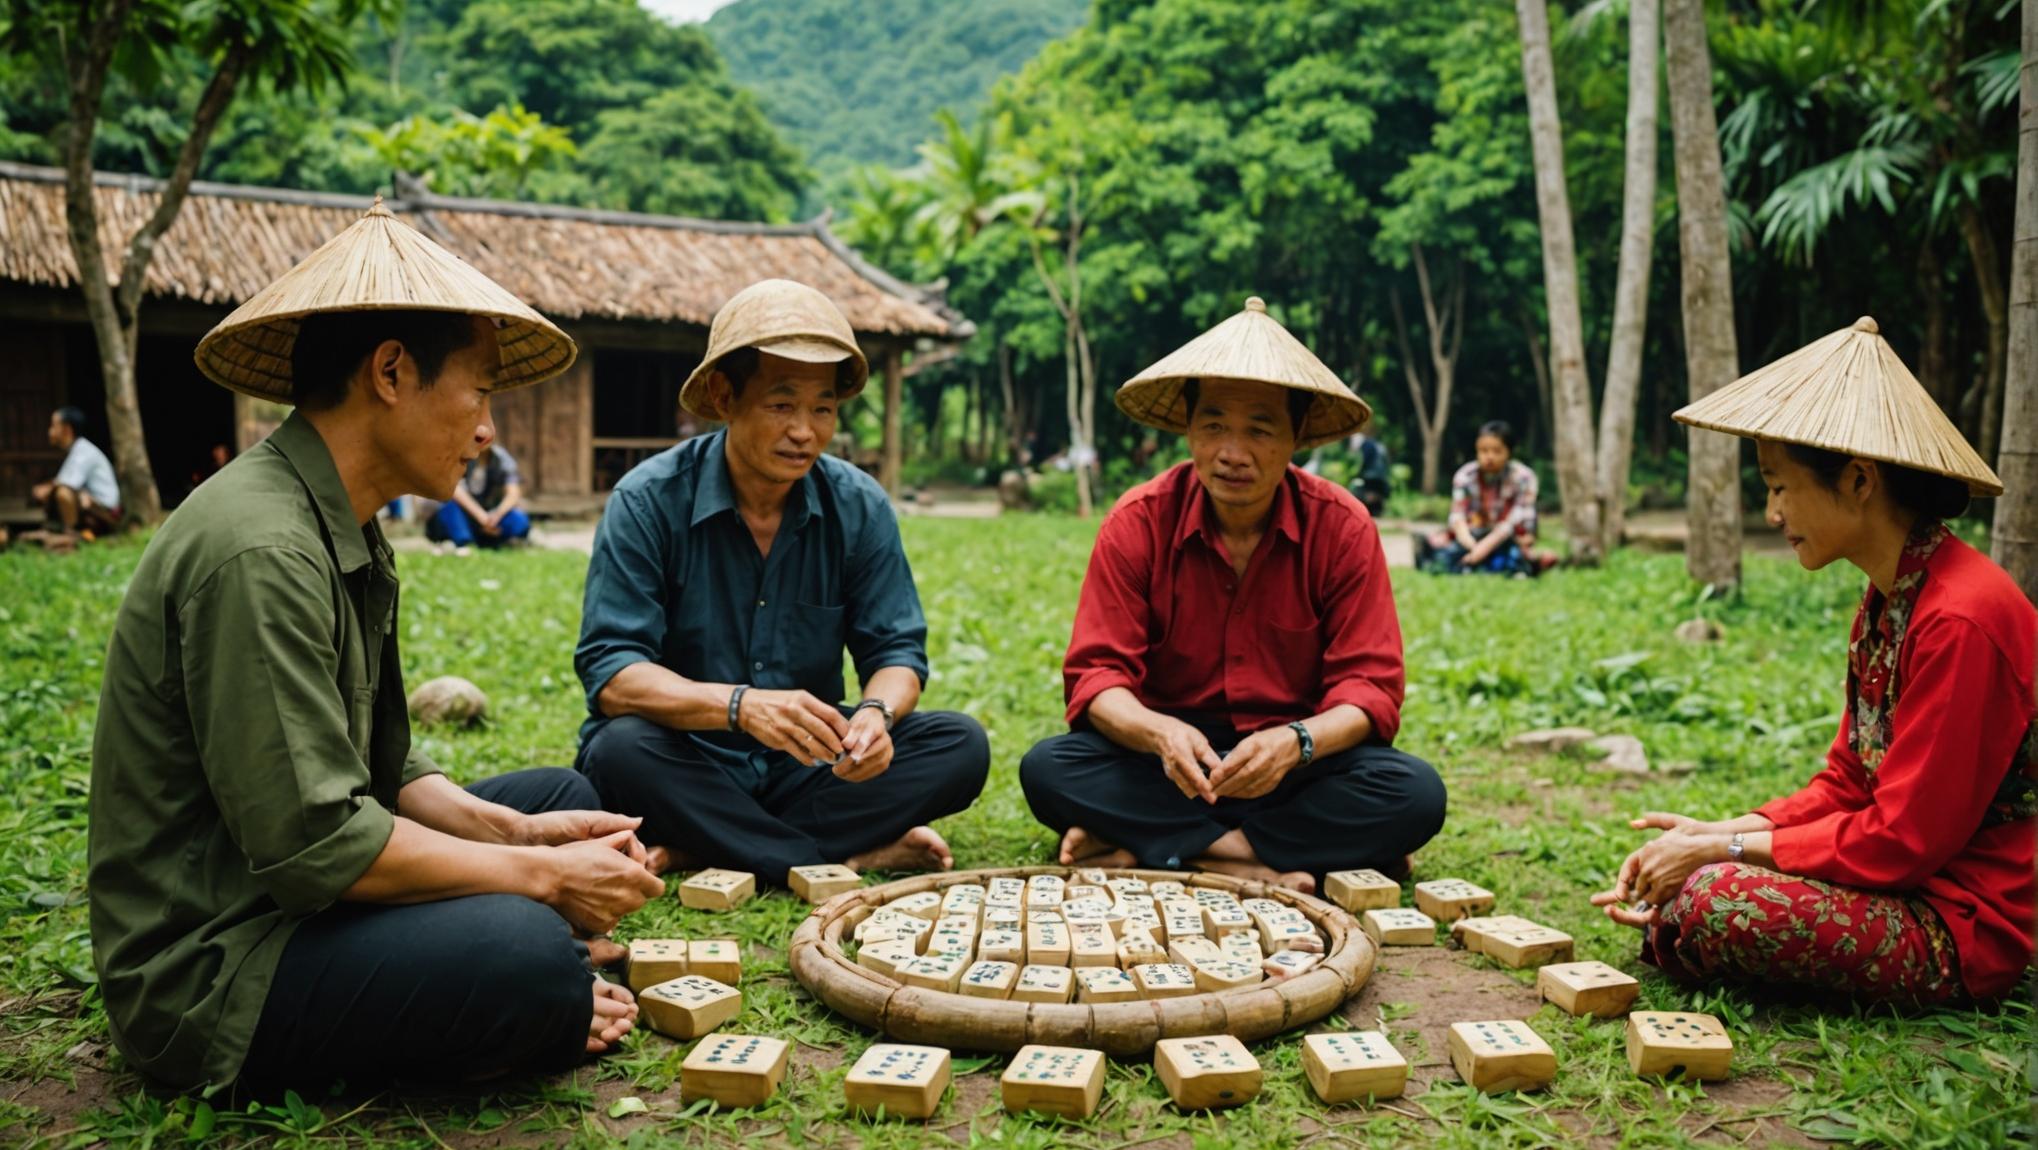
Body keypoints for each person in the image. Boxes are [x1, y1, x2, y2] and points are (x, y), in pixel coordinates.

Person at [87, 200, 663, 1095]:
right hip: (218, 957)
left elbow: (379, 761)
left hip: (290, 887)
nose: (487, 429)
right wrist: (540, 879)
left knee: (563, 793)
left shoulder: (338, 520)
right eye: (478, 392)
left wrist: (516, 832)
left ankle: (521, 944)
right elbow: (317, 845)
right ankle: (534, 984)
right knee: (528, 954)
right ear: (391, 372)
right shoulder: (262, 548)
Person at [1592, 317, 2035, 1005]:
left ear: (1859, 480)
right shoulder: (1892, 600)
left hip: (1960, 920)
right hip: (1905, 883)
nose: (1771, 511)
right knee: (1705, 885)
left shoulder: (1961, 618)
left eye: (1779, 485)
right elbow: (1848, 783)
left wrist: (1718, 855)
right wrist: (1719, 830)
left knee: (1718, 900)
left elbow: (1900, 841)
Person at [1020, 297, 1446, 892]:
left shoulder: (1342, 526)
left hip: (1292, 761)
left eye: (1260, 429)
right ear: (1188, 428)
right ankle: (1252, 859)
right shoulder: (1138, 520)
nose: (1232, 452)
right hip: (1169, 761)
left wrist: (1295, 742)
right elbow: (1098, 677)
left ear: (1297, 436)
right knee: (1050, 769)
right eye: (1214, 425)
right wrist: (1160, 734)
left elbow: (1369, 689)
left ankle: (1168, 849)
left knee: (1415, 793)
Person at [574, 278, 989, 884]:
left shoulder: (859, 505)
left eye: (823, 408)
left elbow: (897, 652)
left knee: (960, 745)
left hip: (810, 763)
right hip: (689, 756)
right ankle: (836, 854)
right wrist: (740, 708)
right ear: (724, 396)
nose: (805, 431)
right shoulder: (647, 500)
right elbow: (612, 673)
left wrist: (876, 715)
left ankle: (711, 846)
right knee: (618, 751)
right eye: (781, 405)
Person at [1415, 421, 1552, 576]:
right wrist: (1472, 546)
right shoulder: (1465, 475)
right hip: (1473, 536)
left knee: (1516, 553)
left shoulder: (1524, 478)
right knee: (1445, 553)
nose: (1489, 457)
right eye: (1484, 450)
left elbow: (1514, 522)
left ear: (1509, 451)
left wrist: (1484, 549)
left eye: (1497, 451)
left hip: (1509, 538)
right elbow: (1457, 517)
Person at [30, 406, 122, 542]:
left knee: (63, 492)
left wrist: (46, 490)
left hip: (105, 512)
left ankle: (71, 534)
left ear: (67, 429)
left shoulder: (83, 452)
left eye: (54, 426)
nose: (50, 431)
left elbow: (67, 484)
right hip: (95, 507)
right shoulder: (77, 449)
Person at [427, 441, 532, 552]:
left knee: (519, 519)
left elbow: (513, 493)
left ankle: (503, 540)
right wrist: (482, 517)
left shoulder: (501, 458)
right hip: (466, 515)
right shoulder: (459, 455)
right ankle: (462, 542)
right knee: (449, 509)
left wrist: (496, 516)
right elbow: (455, 490)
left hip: (492, 515)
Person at [1348, 431, 1391, 518]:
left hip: (1371, 473)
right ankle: (1377, 512)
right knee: (1377, 493)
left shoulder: (1366, 444)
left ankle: (1368, 512)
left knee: (1369, 493)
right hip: (1382, 473)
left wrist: (1359, 473)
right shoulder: (1377, 444)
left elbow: (1365, 460)